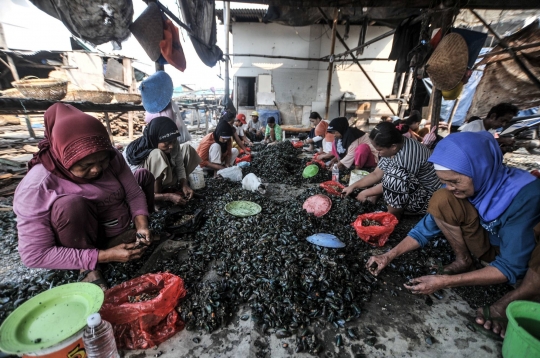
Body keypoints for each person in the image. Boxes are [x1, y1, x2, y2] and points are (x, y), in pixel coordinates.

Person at [365, 131, 540, 339]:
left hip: (524, 261)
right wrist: (388, 255)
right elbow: (424, 229)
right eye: (445, 181)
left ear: (480, 169)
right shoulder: (471, 186)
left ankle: (511, 299)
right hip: (489, 246)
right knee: (441, 199)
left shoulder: (526, 194)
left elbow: (512, 265)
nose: (450, 187)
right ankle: (464, 260)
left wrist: (444, 281)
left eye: (455, 181)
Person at [13, 103, 155, 290]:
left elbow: (134, 192)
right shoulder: (37, 186)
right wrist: (104, 256)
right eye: (86, 165)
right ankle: (86, 267)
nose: (97, 169)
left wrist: (142, 226)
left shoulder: (113, 157)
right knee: (71, 205)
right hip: (77, 244)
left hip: (114, 228)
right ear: (64, 157)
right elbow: (34, 255)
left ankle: (116, 240)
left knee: (142, 176)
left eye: (102, 160)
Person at [342, 122, 441, 218]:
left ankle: (393, 216)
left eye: (380, 150)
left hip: (429, 198)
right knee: (387, 178)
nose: (378, 153)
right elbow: (376, 174)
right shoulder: (393, 146)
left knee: (395, 176)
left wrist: (365, 193)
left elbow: (394, 181)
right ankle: (381, 201)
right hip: (413, 187)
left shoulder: (408, 155)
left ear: (393, 147)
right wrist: (353, 186)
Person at [124, 117, 201, 206]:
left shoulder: (173, 144)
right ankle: (157, 199)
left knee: (188, 149)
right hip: (146, 186)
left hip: (166, 179)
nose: (171, 146)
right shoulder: (133, 152)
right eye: (167, 143)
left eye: (173, 141)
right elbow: (133, 188)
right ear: (155, 139)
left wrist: (184, 184)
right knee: (157, 153)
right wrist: (167, 196)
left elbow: (180, 166)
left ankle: (179, 189)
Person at [140, 71, 191, 143]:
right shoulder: (169, 105)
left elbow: (147, 120)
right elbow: (177, 124)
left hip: (159, 139)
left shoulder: (150, 109)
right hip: (169, 137)